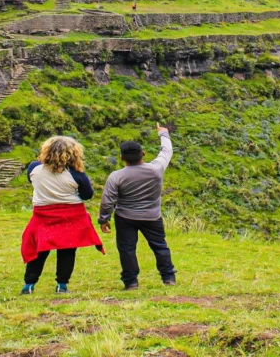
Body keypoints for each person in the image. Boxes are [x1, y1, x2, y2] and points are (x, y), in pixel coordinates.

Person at [20, 136, 104, 295]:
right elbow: (87, 194)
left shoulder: (34, 168)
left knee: (39, 249)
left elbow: (33, 183)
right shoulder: (76, 174)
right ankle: (62, 285)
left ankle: (29, 284)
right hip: (70, 215)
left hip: (43, 215)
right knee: (67, 250)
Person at [98, 123, 176, 290]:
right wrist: (163, 133)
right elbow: (166, 152)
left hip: (125, 217)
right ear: (144, 154)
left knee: (127, 249)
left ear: (121, 157)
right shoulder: (156, 169)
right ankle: (168, 277)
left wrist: (104, 219)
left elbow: (107, 200)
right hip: (152, 216)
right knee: (160, 246)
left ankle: (131, 282)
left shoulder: (116, 176)